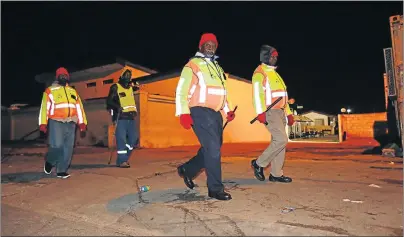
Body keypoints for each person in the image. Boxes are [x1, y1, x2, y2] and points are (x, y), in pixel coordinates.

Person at [175, 33, 236, 201]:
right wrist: (183, 113)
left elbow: (222, 94)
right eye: (207, 44)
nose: (210, 46)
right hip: (200, 111)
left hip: (215, 114)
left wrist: (227, 111)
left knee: (212, 148)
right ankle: (215, 188)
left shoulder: (218, 68)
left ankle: (187, 170)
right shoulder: (192, 65)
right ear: (200, 46)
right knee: (213, 149)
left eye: (213, 44)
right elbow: (182, 90)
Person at [250, 45, 295, 183]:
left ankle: (276, 174)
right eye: (272, 56)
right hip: (270, 112)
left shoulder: (275, 74)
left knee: (279, 143)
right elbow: (257, 95)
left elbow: (283, 97)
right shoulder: (260, 73)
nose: (275, 58)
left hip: (280, 112)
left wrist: (288, 113)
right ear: (265, 57)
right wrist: (260, 112)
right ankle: (259, 163)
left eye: (276, 56)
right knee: (281, 139)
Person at [39, 67, 88, 179]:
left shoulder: (73, 91)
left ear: (68, 77)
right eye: (61, 75)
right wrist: (43, 123)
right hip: (56, 121)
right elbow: (44, 108)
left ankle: (61, 170)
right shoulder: (50, 90)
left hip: (71, 122)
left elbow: (79, 108)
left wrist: (82, 123)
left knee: (68, 147)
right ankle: (50, 161)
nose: (63, 76)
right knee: (57, 146)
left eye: (65, 75)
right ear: (57, 77)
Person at [106, 67, 138, 168]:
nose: (128, 77)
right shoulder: (115, 87)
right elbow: (109, 102)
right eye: (126, 75)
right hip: (120, 118)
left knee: (133, 139)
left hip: (131, 118)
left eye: (130, 76)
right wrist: (117, 107)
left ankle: (122, 159)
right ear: (122, 76)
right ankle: (122, 161)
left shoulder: (130, 89)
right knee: (121, 140)